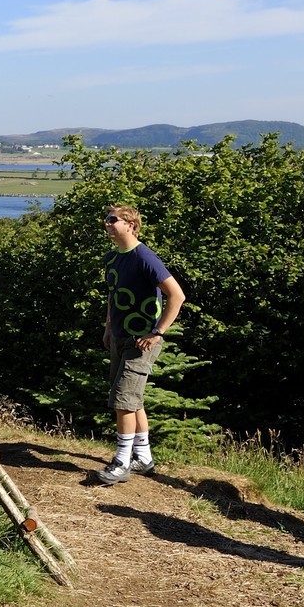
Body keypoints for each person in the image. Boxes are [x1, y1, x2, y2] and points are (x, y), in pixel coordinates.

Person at [96, 204, 186, 485]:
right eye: (107, 219)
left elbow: (177, 296)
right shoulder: (113, 259)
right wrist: (109, 327)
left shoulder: (144, 257)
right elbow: (113, 295)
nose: (107, 224)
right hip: (121, 336)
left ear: (131, 225)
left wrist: (158, 332)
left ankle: (122, 463)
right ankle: (144, 458)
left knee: (123, 399)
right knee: (131, 399)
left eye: (113, 220)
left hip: (142, 341)